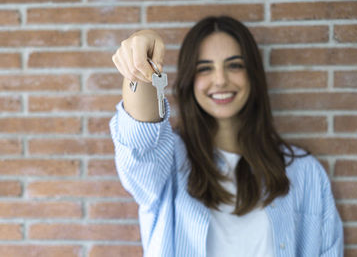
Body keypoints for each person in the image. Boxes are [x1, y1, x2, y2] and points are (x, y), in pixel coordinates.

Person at [110, 16, 344, 257]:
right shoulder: (169, 163)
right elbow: (141, 141)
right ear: (190, 80)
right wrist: (143, 56)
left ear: (253, 74)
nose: (220, 80)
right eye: (205, 68)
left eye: (234, 65)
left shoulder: (304, 172)